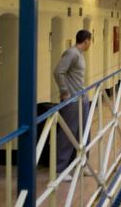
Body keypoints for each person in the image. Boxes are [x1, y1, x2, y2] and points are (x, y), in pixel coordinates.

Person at [53, 30, 92, 181]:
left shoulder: (80, 55)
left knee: (84, 133)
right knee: (67, 134)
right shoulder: (72, 53)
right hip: (72, 101)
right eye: (90, 41)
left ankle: (82, 164)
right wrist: (65, 92)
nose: (90, 44)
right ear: (87, 41)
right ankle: (59, 169)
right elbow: (58, 72)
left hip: (81, 99)